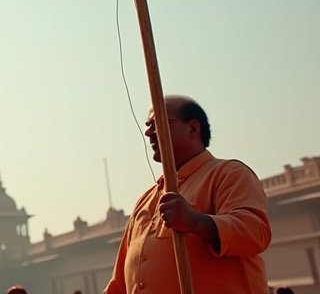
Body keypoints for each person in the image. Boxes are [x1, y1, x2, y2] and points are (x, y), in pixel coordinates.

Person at [104, 95, 272, 293]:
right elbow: (120, 284)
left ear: (193, 128)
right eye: (148, 125)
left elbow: (255, 233)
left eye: (158, 123)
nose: (149, 132)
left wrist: (195, 221)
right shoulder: (146, 200)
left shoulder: (227, 174)